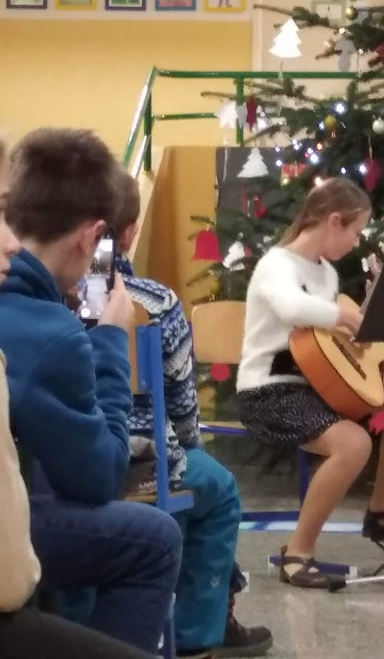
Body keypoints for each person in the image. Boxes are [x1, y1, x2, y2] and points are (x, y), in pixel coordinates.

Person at [0, 128, 183, 654]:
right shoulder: (52, 333)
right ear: (92, 237)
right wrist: (109, 342)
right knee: (156, 538)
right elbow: (98, 478)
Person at [237, 176, 384, 589]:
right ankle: (298, 552)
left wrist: (370, 313)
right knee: (354, 443)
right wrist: (342, 316)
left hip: (319, 384)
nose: (356, 242)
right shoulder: (277, 264)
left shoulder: (326, 274)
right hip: (270, 390)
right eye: (355, 231)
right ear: (333, 221)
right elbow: (293, 309)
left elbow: (330, 346)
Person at [112, 170, 272, 659]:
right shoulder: (154, 302)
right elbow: (182, 411)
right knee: (216, 487)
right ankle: (197, 636)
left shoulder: (34, 298)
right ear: (129, 232)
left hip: (42, 463)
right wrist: (188, 447)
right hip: (138, 464)